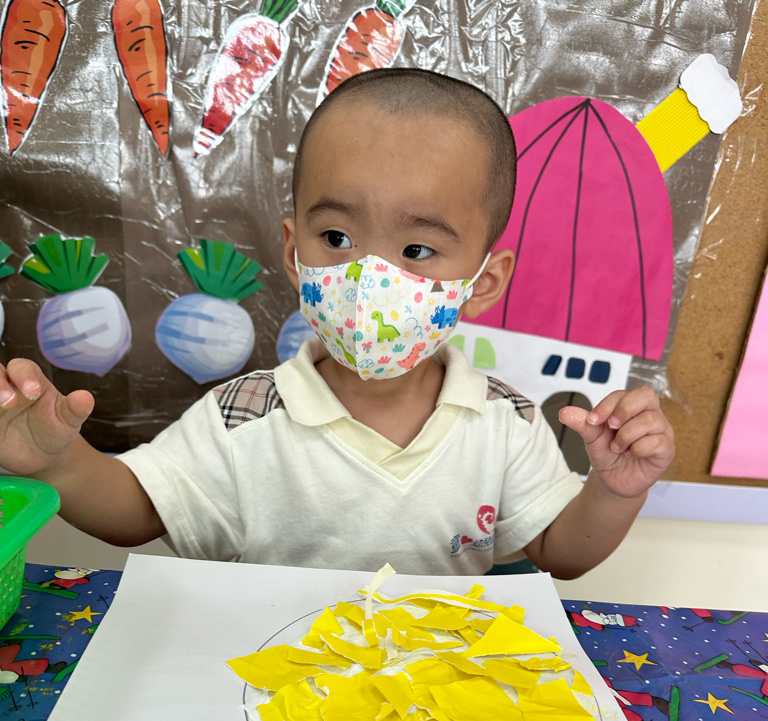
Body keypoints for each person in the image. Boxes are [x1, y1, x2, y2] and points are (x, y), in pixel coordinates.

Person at [0, 69, 674, 577]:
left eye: (417, 250)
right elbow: (138, 509)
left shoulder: (507, 423)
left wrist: (614, 492)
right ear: (293, 252)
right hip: (272, 689)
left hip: (429, 696)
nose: (369, 276)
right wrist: (60, 461)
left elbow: (559, 551)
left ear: (484, 282)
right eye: (337, 237)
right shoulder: (243, 415)